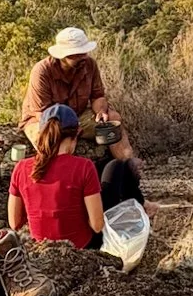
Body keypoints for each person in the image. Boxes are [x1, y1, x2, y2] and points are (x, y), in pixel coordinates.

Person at [8, 104, 145, 249]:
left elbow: (14, 223)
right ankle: (140, 208)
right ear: (75, 136)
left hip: (40, 247)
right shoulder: (84, 167)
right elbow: (97, 226)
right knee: (115, 167)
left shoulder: (21, 168)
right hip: (81, 247)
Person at [19, 27, 134, 163]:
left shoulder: (89, 65)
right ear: (64, 56)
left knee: (113, 119)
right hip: (45, 121)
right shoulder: (42, 71)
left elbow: (98, 96)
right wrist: (71, 129)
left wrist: (101, 111)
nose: (84, 57)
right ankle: (56, 177)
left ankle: (128, 163)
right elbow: (42, 114)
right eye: (78, 54)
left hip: (78, 115)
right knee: (48, 138)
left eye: (84, 52)